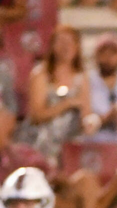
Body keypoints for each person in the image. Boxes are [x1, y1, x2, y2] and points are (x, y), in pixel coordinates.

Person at [19, 25, 92, 162]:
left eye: (71, 42)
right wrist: (66, 104)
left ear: (77, 47)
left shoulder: (82, 78)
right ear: (52, 46)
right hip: (40, 140)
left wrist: (90, 123)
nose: (66, 47)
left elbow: (86, 113)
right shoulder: (40, 74)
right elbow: (37, 115)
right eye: (61, 41)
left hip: (69, 141)